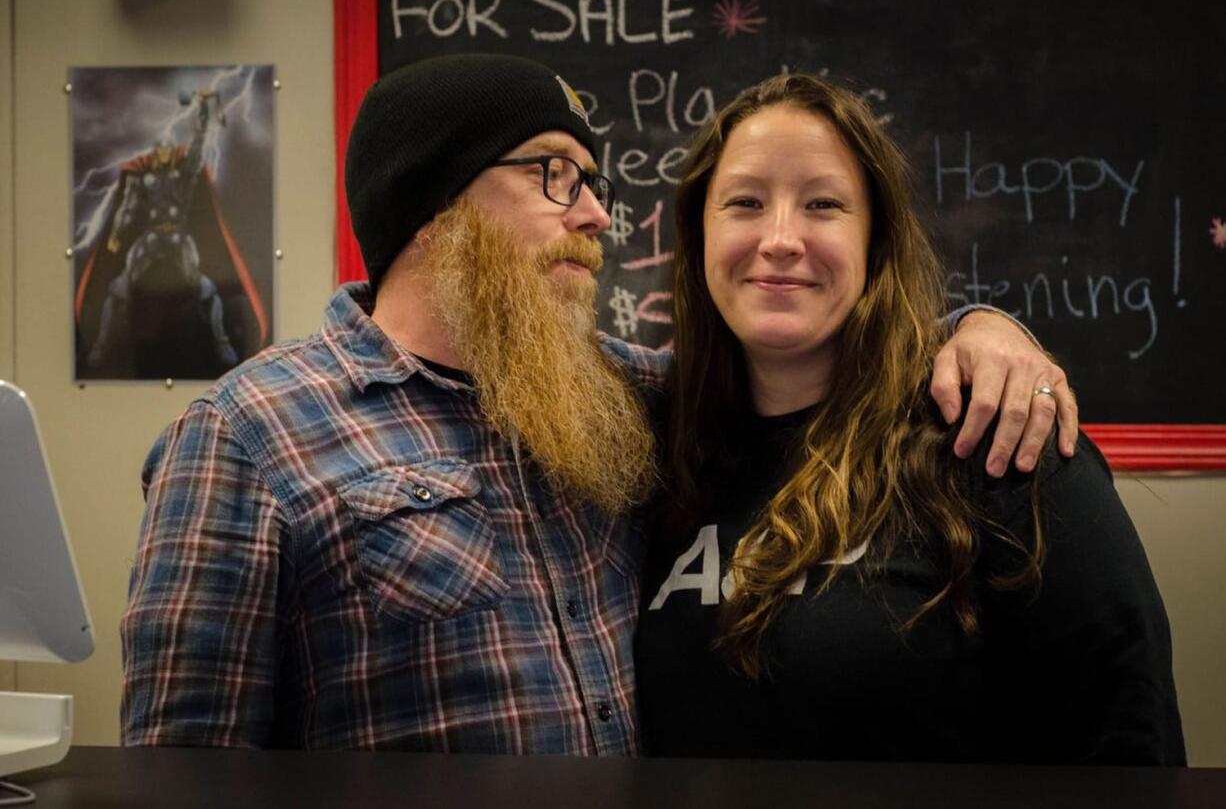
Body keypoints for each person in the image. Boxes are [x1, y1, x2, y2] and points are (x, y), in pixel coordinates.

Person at [121, 55, 1074, 753]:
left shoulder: (624, 394)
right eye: (553, 175)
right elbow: (184, 769)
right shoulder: (248, 437)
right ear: (432, 207)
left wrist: (980, 327)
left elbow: (812, 346)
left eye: (593, 183)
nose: (595, 216)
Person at [635, 73, 1184, 765]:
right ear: (698, 236)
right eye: (745, 202)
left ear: (876, 243)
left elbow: (1131, 735)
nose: (780, 238)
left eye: (823, 204)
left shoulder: (994, 435)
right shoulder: (652, 451)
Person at [75, 90, 268, 380]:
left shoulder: (183, 177)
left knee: (208, 290)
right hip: (151, 240)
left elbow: (196, 151)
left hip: (178, 240)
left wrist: (203, 117)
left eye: (168, 150)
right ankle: (100, 345)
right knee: (120, 287)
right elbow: (128, 208)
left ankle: (222, 341)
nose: (165, 154)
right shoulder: (146, 180)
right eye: (160, 150)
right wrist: (116, 237)